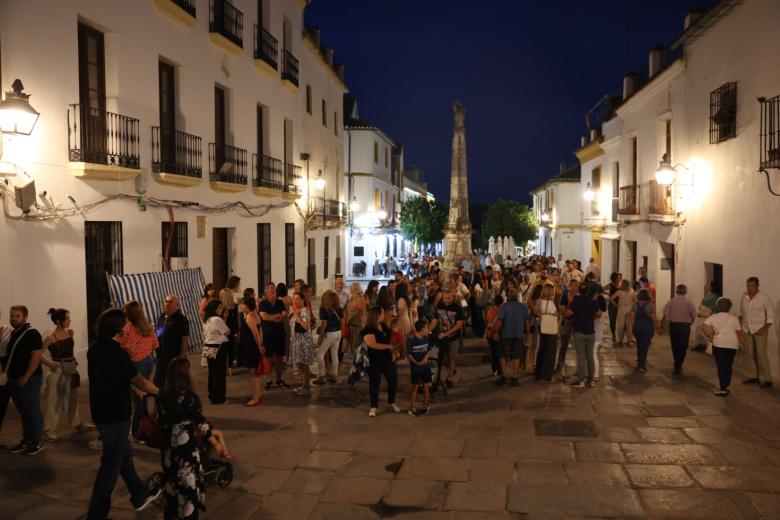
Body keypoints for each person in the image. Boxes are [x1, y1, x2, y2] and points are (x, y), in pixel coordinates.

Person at [86, 308, 160, 519]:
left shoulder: (95, 348)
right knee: (109, 468)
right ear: (119, 328)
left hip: (100, 413)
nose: (128, 329)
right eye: (125, 325)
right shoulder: (117, 352)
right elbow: (139, 380)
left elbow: (116, 377)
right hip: (116, 415)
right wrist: (159, 391)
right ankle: (96, 514)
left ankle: (140, 494)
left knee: (124, 457)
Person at [158, 357, 227, 520]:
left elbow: (160, 420)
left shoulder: (163, 395)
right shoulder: (190, 397)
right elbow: (202, 425)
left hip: (169, 448)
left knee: (172, 485)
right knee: (188, 488)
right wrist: (216, 442)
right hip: (186, 448)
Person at [41, 308, 92, 443]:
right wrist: (50, 365)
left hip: (70, 370)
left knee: (73, 398)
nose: (70, 320)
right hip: (57, 372)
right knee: (54, 401)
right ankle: (48, 429)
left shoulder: (70, 332)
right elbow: (38, 354)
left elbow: (69, 351)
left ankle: (77, 423)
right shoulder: (51, 337)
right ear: (58, 321)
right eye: (67, 318)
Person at [5, 305, 45, 455]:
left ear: (25, 317)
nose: (14, 319)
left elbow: (36, 357)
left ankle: (38, 441)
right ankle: (27, 441)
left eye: (17, 316)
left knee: (33, 411)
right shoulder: (14, 333)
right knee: (24, 412)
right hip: (15, 379)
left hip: (30, 379)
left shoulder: (32, 333)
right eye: (12, 316)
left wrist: (26, 377)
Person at [120, 301, 159, 441]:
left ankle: (138, 432)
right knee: (144, 396)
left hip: (136, 365)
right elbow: (156, 344)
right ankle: (143, 428)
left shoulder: (128, 329)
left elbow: (128, 350)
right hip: (149, 361)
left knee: (139, 399)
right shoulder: (148, 325)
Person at [702, 298, 748, 397]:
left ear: (718, 306)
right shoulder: (734, 318)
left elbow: (704, 326)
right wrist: (745, 345)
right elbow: (739, 333)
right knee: (728, 365)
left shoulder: (713, 317)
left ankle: (723, 388)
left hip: (719, 344)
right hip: (732, 345)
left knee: (721, 366)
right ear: (729, 307)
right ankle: (726, 385)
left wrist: (709, 335)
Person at [361, 306, 400, 417]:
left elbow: (389, 340)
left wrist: (393, 353)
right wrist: (388, 346)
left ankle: (392, 402)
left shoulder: (383, 326)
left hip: (387, 359)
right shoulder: (368, 329)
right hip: (374, 361)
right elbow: (373, 344)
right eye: (382, 312)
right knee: (374, 384)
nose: (384, 314)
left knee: (393, 381)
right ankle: (373, 407)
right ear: (377, 315)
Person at [739, 277, 776, 388]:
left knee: (761, 355)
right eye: (748, 286)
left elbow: (771, 316)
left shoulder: (764, 298)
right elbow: (741, 312)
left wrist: (764, 329)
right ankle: (754, 376)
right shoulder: (744, 296)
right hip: (747, 329)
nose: (750, 288)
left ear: (757, 286)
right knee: (749, 354)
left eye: (752, 286)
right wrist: (740, 327)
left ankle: (767, 379)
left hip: (760, 330)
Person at [493, 289, 531, 387]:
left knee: (503, 355)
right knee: (516, 356)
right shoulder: (523, 307)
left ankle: (503, 376)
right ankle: (515, 377)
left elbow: (499, 321)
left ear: (508, 296)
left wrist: (496, 332)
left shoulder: (504, 306)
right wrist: (527, 334)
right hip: (518, 335)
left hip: (506, 334)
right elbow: (527, 322)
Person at [566, 284, 602, 387]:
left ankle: (581, 381)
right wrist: (591, 316)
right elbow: (598, 314)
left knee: (581, 357)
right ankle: (591, 381)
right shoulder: (593, 302)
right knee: (590, 356)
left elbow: (568, 313)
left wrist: (570, 303)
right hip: (590, 332)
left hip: (579, 332)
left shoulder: (576, 301)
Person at [660, 284, 697, 377]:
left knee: (675, 345)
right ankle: (679, 363)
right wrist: (689, 323)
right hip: (685, 327)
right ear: (685, 292)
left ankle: (677, 363)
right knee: (683, 346)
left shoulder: (671, 302)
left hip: (673, 326)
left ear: (676, 291)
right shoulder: (689, 303)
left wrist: (661, 326)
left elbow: (665, 315)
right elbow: (693, 316)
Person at [430, 290, 465, 388]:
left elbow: (459, 325)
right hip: (441, 338)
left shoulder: (457, 308)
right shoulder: (440, 306)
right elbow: (435, 319)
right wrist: (429, 329)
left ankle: (449, 378)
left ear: (453, 297)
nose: (447, 300)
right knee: (443, 359)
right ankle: (451, 370)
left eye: (449, 298)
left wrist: (446, 333)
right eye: (445, 298)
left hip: (453, 338)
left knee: (452, 359)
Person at [155, 295, 190, 388]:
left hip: (174, 359)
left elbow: (185, 340)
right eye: (166, 301)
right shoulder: (162, 317)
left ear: (177, 305)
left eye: (170, 302)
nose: (167, 304)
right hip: (160, 358)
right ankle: (159, 402)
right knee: (158, 384)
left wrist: (181, 359)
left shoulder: (181, 320)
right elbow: (158, 333)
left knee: (174, 385)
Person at [260, 283, 289, 390]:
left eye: (275, 292)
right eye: (272, 292)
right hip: (267, 334)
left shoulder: (280, 302)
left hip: (279, 333)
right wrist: (275, 316)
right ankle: (269, 380)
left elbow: (284, 315)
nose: (274, 294)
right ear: (266, 294)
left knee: (280, 356)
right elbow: (265, 317)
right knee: (268, 357)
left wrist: (272, 317)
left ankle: (279, 378)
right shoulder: (263, 303)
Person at [201, 300, 230, 405]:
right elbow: (227, 332)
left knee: (212, 372)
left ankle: (211, 395)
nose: (221, 310)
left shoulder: (206, 319)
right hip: (218, 346)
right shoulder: (217, 319)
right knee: (219, 373)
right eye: (220, 307)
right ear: (214, 309)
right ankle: (219, 398)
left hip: (207, 346)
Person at [238, 297, 264, 406]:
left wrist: (259, 345)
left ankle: (256, 398)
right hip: (253, 346)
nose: (240, 306)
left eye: (242, 304)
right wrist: (261, 344)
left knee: (254, 373)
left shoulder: (250, 317)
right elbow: (260, 330)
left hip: (251, 347)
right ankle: (256, 394)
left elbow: (256, 333)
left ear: (247, 305)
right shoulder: (255, 315)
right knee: (254, 372)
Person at [290, 292, 316, 396]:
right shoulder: (296, 310)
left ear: (302, 300)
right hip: (297, 341)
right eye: (294, 299)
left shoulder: (304, 311)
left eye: (298, 299)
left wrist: (298, 318)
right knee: (300, 364)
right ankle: (304, 385)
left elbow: (306, 326)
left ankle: (306, 388)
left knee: (304, 365)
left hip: (303, 342)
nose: (295, 301)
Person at [314, 290, 342, 385]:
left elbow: (324, 324)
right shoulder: (339, 308)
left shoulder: (324, 309)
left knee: (319, 354)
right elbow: (342, 321)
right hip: (338, 332)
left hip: (330, 333)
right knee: (334, 354)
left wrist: (321, 336)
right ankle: (334, 375)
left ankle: (321, 376)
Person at [629, 289, 658, 374]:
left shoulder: (634, 305)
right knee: (644, 347)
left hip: (637, 328)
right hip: (647, 329)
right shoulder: (651, 306)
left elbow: (631, 318)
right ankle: (642, 366)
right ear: (648, 296)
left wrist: (630, 329)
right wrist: (658, 329)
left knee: (639, 345)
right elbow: (654, 319)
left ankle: (639, 364)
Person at [407, 320, 432, 417]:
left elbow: (429, 349)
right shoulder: (412, 341)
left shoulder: (426, 338)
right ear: (422, 329)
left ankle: (426, 404)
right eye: (426, 327)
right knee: (415, 386)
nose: (428, 329)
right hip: (416, 368)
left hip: (425, 367)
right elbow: (408, 354)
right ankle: (412, 407)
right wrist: (417, 362)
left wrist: (425, 358)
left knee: (426, 386)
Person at [535, 282, 559, 383]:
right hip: (551, 329)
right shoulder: (551, 302)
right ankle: (545, 376)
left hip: (542, 326)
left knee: (542, 349)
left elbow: (536, 312)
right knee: (550, 351)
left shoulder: (539, 301)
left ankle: (539, 373)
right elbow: (555, 314)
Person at [220, 276, 242, 374]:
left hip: (232, 319)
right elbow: (226, 307)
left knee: (231, 344)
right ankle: (227, 366)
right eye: (238, 284)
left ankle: (229, 366)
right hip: (227, 319)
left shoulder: (234, 293)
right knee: (226, 344)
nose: (239, 286)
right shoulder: (226, 292)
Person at [693, 282, 719, 351]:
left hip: (709, 314)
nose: (707, 287)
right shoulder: (707, 295)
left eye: (709, 286)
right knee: (699, 330)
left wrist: (705, 309)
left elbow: (714, 306)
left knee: (707, 330)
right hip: (702, 314)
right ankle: (701, 344)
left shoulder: (715, 296)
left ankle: (708, 346)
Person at [612, 280, 635, 346]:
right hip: (630, 308)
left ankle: (620, 340)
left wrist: (616, 305)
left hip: (621, 308)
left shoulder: (619, 291)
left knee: (620, 325)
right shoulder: (632, 291)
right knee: (629, 325)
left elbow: (611, 298)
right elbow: (635, 300)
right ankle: (629, 340)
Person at [485, 294, 504, 377]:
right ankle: (500, 370)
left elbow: (488, 319)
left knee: (493, 353)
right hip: (499, 333)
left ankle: (494, 370)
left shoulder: (490, 310)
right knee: (499, 353)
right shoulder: (502, 311)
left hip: (491, 333)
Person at [346, 283, 367, 355]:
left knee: (357, 341)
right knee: (353, 340)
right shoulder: (352, 297)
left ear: (355, 288)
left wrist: (351, 314)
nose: (349, 288)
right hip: (352, 322)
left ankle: (357, 359)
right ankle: (354, 358)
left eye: (351, 287)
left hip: (357, 322)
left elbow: (360, 310)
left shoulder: (359, 297)